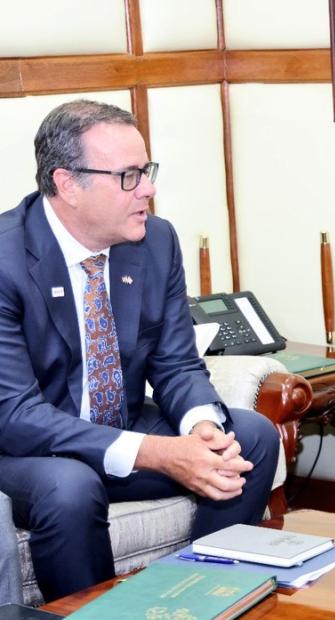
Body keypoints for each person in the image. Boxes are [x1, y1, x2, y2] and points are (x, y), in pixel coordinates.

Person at [0, 100, 279, 601]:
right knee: (70, 487)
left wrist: (202, 429)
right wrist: (157, 452)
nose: (148, 189)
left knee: (251, 438)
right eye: (129, 176)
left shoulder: (155, 241)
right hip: (24, 451)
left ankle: (202, 599)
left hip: (117, 425)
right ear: (67, 184)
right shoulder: (5, 259)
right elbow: (16, 415)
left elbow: (175, 362)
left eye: (146, 170)